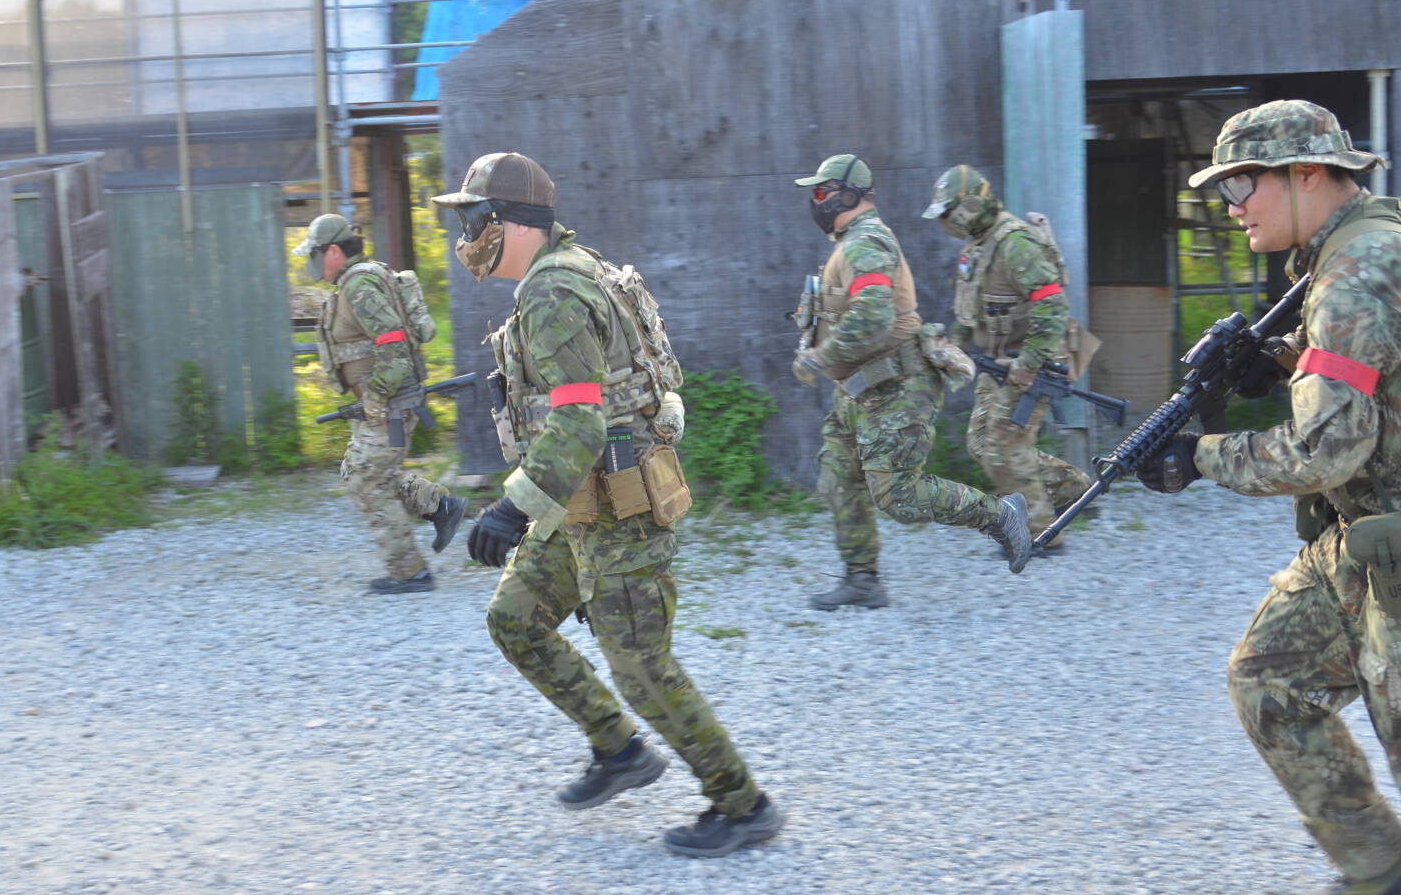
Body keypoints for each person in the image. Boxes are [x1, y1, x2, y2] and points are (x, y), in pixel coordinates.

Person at [433, 151, 782, 858]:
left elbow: (579, 421)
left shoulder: (553, 292)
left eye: (473, 218)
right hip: (579, 500)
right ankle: (619, 749)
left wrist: (511, 508)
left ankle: (743, 804)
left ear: (510, 221)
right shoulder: (572, 270)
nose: (465, 235)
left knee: (642, 668)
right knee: (515, 619)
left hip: (618, 507)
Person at [1136, 101, 1401, 895]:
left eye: (1242, 183)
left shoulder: (1353, 276)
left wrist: (1199, 457)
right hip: (1364, 537)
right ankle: (1379, 869)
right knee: (1267, 677)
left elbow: (1326, 449)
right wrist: (1283, 359)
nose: (1231, 205)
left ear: (1307, 174)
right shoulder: (1355, 250)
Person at [792, 154, 1034, 612]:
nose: (816, 201)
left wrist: (820, 357)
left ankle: (1001, 516)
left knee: (898, 494)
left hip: (898, 385)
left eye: (822, 192)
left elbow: (874, 315)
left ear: (849, 194)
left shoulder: (866, 243)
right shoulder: (850, 243)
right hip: (859, 388)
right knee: (839, 478)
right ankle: (862, 580)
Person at [921, 164, 1096, 544]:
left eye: (949, 212)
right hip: (997, 361)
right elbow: (967, 313)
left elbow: (1053, 307)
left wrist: (1029, 364)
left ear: (970, 204)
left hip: (1034, 358)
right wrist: (953, 350)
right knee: (982, 445)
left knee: (1004, 447)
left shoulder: (1016, 244)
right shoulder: (977, 247)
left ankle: (1038, 533)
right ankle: (1074, 489)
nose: (946, 222)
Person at [296, 213, 466, 594]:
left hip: (388, 403)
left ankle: (410, 572)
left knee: (366, 480)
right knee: (361, 474)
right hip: (382, 402)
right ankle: (440, 507)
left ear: (334, 251)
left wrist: (375, 396)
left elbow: (394, 345)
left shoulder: (359, 286)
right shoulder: (355, 282)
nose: (311, 263)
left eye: (314, 254)